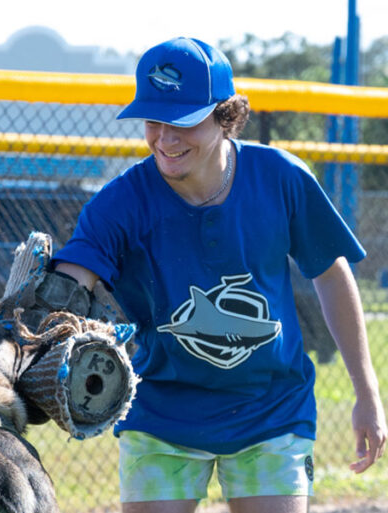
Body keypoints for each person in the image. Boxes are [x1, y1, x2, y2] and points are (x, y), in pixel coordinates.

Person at [47, 37, 386, 512]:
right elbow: (71, 280)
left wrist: (366, 392)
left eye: (183, 122)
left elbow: (330, 273)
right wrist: (45, 311)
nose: (165, 138)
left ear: (226, 116)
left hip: (270, 408)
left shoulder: (280, 177)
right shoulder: (121, 202)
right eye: (153, 120)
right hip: (161, 410)